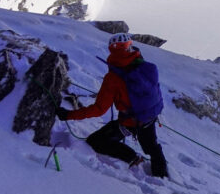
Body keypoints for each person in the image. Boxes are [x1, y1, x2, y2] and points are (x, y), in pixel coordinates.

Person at [57, 33, 168, 178]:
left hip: (128, 122)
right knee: (152, 148)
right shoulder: (147, 67)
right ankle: (162, 177)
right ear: (130, 47)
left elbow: (98, 109)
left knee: (96, 141)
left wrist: (68, 115)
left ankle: (132, 158)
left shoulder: (113, 78)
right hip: (149, 118)